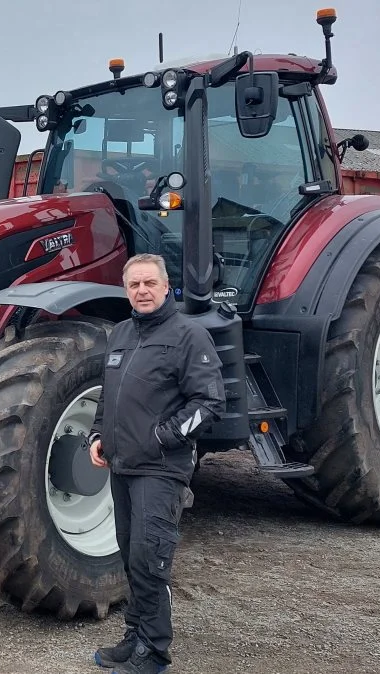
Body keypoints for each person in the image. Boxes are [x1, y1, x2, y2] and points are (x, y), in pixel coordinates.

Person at [86, 253, 226, 674]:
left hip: (161, 469)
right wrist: (97, 435)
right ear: (126, 290)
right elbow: (109, 395)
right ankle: (135, 636)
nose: (142, 291)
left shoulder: (189, 335)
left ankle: (155, 652)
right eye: (134, 285)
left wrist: (163, 437)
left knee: (152, 557)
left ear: (166, 287)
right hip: (122, 466)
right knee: (131, 556)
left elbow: (210, 402)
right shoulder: (122, 333)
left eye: (150, 283)